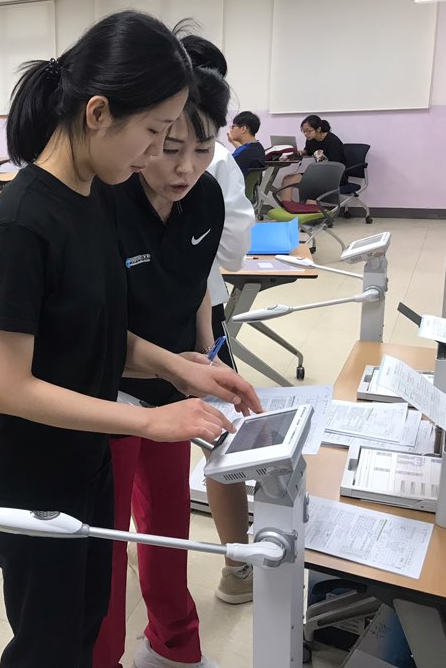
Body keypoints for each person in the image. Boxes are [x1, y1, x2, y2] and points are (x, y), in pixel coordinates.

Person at [0, 10, 261, 668]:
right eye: (154, 133)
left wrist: (180, 369)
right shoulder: (22, 224)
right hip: (29, 470)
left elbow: (99, 330)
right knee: (48, 645)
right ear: (98, 113)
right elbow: (8, 388)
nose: (157, 156)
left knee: (88, 621)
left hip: (84, 456)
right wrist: (150, 420)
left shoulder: (94, 195)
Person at [93, 36, 260, 668]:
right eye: (170, 148)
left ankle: (172, 644)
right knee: (108, 541)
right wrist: (173, 368)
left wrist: (203, 358)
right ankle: (103, 656)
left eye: (203, 147)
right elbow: (93, 330)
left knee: (167, 525)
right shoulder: (106, 204)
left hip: (173, 388)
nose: (186, 167)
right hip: (106, 394)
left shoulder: (206, 198)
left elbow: (195, 287)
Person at [189, 38, 259, 607]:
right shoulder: (216, 159)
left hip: (173, 313)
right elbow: (233, 252)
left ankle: (139, 547)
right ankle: (237, 564)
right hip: (200, 307)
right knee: (221, 439)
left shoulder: (125, 153)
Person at [278, 115, 347, 200]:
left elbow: (337, 164)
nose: (306, 134)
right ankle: (286, 206)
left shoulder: (333, 141)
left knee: (300, 183)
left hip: (335, 176)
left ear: (318, 129)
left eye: (308, 131)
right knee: (287, 179)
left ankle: (307, 205)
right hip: (319, 174)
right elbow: (308, 151)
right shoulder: (311, 140)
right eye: (304, 132)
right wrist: (299, 152)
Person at [226, 111, 266, 176]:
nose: (231, 130)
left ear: (243, 129)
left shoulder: (244, 153)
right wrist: (232, 141)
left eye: (233, 127)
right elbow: (244, 150)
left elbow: (224, 167)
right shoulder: (259, 148)